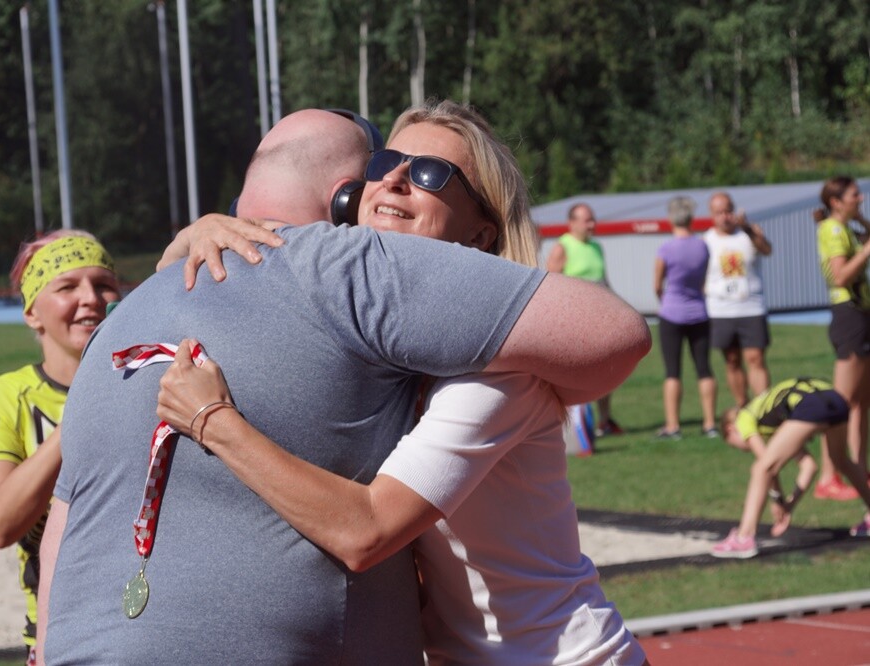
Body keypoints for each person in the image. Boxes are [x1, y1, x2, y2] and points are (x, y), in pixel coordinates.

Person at [37, 108, 650, 665]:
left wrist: (214, 422)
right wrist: (200, 235)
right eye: (385, 164)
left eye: (433, 174)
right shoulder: (389, 354)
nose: (396, 181)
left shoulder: (495, 374)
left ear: (482, 235)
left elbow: (366, 533)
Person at [0, 230, 120, 663]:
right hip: (62, 637)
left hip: (155, 628)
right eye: (67, 286)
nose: (90, 298)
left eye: (103, 284)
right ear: (32, 313)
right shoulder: (4, 396)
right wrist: (78, 417)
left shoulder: (150, 377)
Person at [712, 377, 870, 558]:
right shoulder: (776, 420)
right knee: (842, 461)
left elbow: (766, 467)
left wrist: (777, 500)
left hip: (810, 404)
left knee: (759, 469)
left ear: (731, 429)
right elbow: (809, 466)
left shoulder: (744, 419)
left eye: (734, 445)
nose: (743, 448)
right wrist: (789, 506)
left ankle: (743, 537)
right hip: (835, 399)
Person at [814, 176, 870, 500]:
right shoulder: (833, 230)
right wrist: (865, 252)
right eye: (854, 195)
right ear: (836, 202)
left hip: (861, 314)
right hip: (848, 314)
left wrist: (859, 220)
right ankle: (828, 476)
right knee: (842, 402)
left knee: (863, 401)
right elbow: (840, 275)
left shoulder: (844, 226)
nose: (860, 199)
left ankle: (859, 469)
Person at [547, 202, 624, 437]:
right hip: (574, 324)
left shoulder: (597, 247)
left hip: (600, 322)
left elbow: (604, 282)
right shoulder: (563, 247)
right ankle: (581, 425)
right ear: (572, 223)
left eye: (593, 219)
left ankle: (604, 420)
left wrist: (621, 308)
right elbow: (550, 287)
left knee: (607, 371)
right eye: (587, 220)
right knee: (581, 374)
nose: (592, 224)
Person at [654, 195, 716, 439]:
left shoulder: (666, 248)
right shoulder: (702, 246)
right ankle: (710, 423)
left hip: (672, 314)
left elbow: (657, 284)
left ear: (671, 218)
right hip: (699, 312)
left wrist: (667, 300)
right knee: (704, 369)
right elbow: (702, 280)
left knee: (672, 371)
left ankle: (673, 426)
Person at [703, 192, 772, 408]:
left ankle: (763, 408)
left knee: (756, 358)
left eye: (728, 211)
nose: (725, 216)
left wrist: (750, 229)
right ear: (712, 215)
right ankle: (743, 405)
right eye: (719, 213)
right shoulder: (706, 241)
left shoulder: (748, 233)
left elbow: (767, 250)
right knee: (732, 361)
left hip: (751, 307)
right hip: (721, 310)